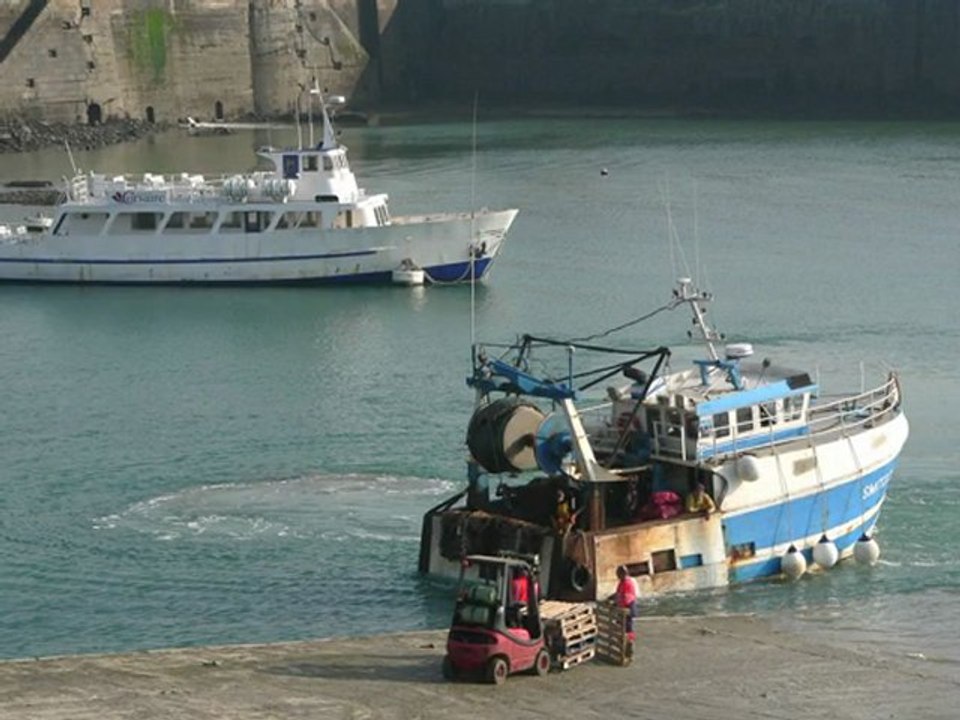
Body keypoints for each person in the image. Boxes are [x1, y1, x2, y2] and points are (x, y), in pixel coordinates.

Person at [614, 565, 638, 655]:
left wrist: (617, 603)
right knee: (621, 626)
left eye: (618, 574)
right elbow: (618, 593)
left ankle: (628, 646)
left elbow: (626, 598)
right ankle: (624, 645)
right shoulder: (622, 582)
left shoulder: (627, 583)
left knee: (627, 628)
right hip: (624, 606)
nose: (617, 576)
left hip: (628, 608)